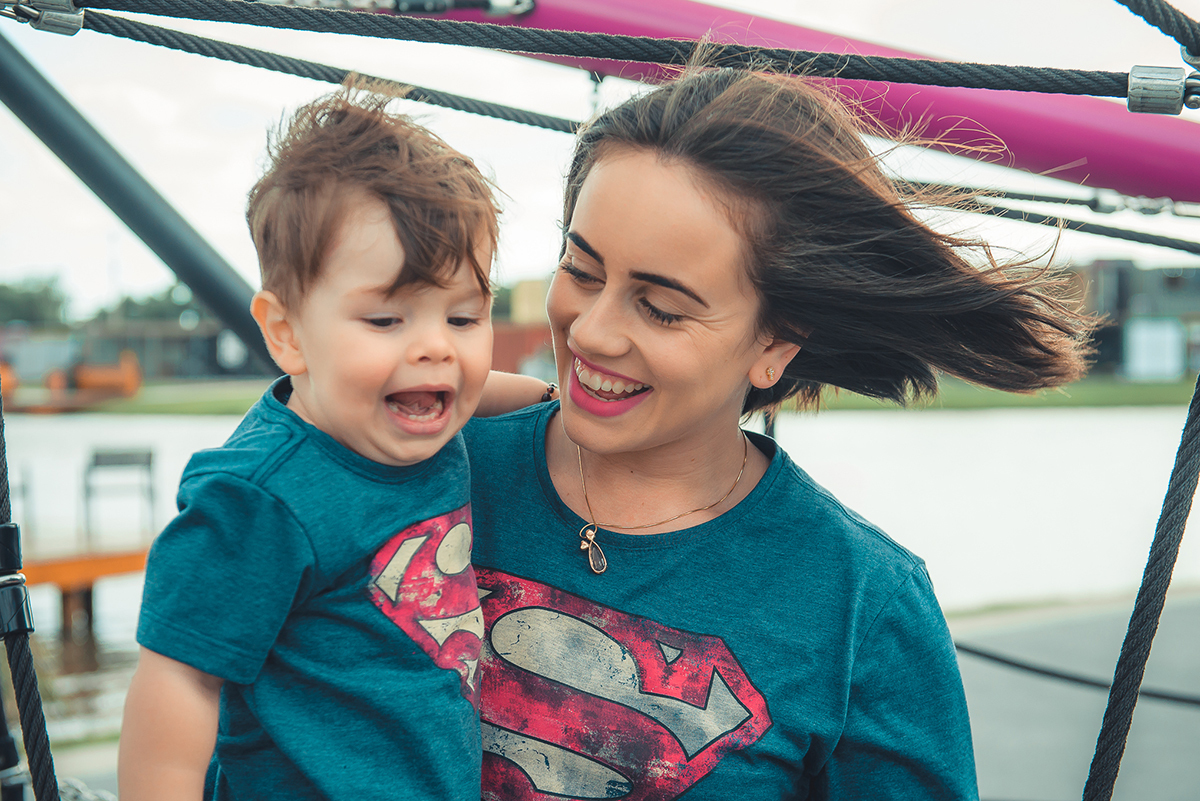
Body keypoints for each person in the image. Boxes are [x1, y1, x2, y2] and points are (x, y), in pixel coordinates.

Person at [464, 67, 1094, 800]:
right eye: (580, 268)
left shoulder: (863, 601)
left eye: (662, 307)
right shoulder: (431, 466)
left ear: (776, 341)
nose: (594, 331)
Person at [118, 86, 549, 801]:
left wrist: (547, 403)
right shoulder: (261, 499)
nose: (437, 348)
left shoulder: (420, 423)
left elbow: (479, 382)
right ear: (287, 332)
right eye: (386, 319)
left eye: (465, 316)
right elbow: (180, 680)